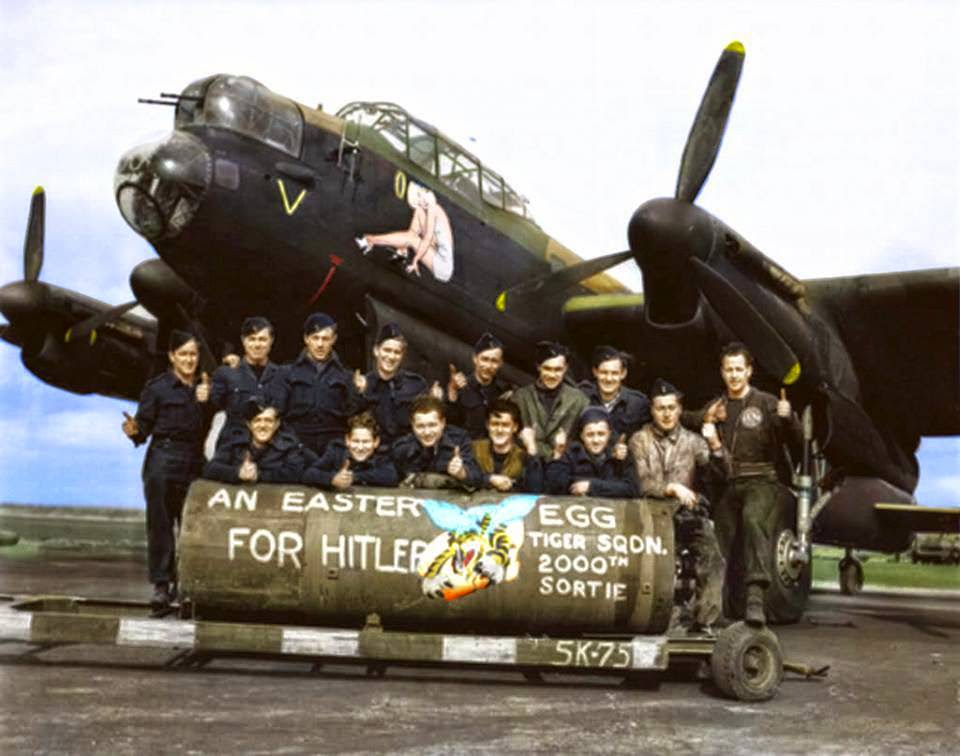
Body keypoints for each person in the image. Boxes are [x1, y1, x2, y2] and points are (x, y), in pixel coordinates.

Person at [702, 342, 801, 626]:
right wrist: (707, 418)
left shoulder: (767, 403)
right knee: (720, 535)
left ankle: (756, 599)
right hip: (730, 483)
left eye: (738, 369)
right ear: (722, 372)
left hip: (763, 480)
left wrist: (789, 418)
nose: (733, 375)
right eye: (728, 370)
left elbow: (795, 440)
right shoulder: (718, 406)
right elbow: (689, 416)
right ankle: (718, 605)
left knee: (754, 519)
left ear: (749, 371)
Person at [121, 330, 212, 610]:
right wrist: (133, 431)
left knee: (192, 527)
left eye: (193, 354)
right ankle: (161, 585)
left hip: (194, 460)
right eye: (183, 354)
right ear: (172, 356)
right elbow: (143, 429)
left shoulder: (207, 387)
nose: (189, 360)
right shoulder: (157, 388)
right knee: (160, 525)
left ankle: (187, 586)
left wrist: (210, 397)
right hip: (162, 459)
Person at [629, 379, 730, 631]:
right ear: (652, 410)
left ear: (680, 409)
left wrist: (716, 446)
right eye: (660, 408)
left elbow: (723, 475)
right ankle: (666, 616)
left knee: (712, 556)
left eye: (671, 408)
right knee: (663, 562)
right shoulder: (639, 440)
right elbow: (642, 482)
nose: (666, 414)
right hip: (651, 516)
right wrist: (671, 488)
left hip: (686, 515)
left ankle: (704, 620)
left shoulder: (693, 442)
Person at [202, 316, 287, 447]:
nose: (257, 345)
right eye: (252, 339)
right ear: (243, 340)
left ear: (271, 340)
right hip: (234, 447)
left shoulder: (282, 375)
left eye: (262, 339)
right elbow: (210, 410)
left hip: (271, 450)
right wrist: (203, 398)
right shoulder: (225, 373)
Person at [282, 312, 361, 455]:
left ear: (334, 339)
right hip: (297, 446)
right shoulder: (287, 372)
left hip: (334, 446)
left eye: (325, 339)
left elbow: (353, 415)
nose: (320, 344)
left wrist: (360, 393)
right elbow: (278, 414)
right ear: (306, 339)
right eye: (315, 338)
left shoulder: (346, 375)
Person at [354, 322, 442, 447]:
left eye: (397, 352)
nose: (391, 356)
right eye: (387, 350)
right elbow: (353, 424)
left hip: (407, 451)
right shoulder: (364, 384)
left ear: (402, 355)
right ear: (376, 350)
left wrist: (436, 402)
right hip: (375, 453)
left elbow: (427, 421)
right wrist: (358, 395)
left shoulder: (416, 385)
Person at [356, 181, 455, 282]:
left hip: (443, 267)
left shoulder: (433, 208)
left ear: (422, 194)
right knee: (418, 212)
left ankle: (370, 240)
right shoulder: (431, 205)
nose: (419, 203)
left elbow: (428, 238)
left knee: (412, 239)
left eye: (418, 201)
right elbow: (434, 240)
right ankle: (403, 250)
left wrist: (415, 260)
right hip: (437, 251)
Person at [203, 401, 316, 485]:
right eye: (257, 420)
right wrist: (238, 473)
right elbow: (210, 469)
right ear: (249, 424)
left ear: (277, 424)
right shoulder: (235, 444)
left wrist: (259, 475)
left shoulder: (290, 447)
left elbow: (296, 473)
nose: (262, 426)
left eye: (268, 421)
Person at [511, 341, 589, 459]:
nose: (552, 375)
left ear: (565, 368)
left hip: (566, 463)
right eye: (547, 369)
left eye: (558, 369)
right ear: (538, 367)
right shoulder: (520, 398)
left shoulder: (579, 400)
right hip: (527, 462)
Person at [391, 395, 482, 489]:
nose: (427, 432)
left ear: (443, 423)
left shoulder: (459, 440)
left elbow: (478, 477)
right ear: (412, 425)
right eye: (420, 426)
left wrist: (461, 473)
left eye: (432, 425)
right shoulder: (402, 448)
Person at [545, 406, 637, 498]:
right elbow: (554, 487)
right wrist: (558, 453)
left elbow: (632, 489)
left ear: (609, 434)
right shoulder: (572, 453)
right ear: (582, 436)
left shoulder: (620, 453)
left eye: (601, 434)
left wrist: (591, 486)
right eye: (590, 435)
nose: (596, 440)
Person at [303, 412, 398, 489]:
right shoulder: (336, 451)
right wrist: (332, 479)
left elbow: (391, 476)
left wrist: (353, 477)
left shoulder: (382, 455)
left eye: (366, 442)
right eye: (356, 441)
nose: (360, 448)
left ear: (376, 442)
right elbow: (309, 473)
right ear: (347, 440)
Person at [446, 332, 515, 439]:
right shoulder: (459, 387)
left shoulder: (503, 391)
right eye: (484, 359)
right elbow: (449, 424)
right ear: (475, 359)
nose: (488, 366)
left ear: (500, 363)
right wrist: (452, 392)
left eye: (494, 361)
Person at [472, 399, 543, 493]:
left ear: (515, 427)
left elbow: (535, 490)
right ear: (487, 425)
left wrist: (531, 447)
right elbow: (464, 477)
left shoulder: (523, 456)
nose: (499, 430)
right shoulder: (474, 449)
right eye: (494, 424)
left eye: (505, 425)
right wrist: (489, 479)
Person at [580, 345, 650, 439]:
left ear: (623, 373)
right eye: (604, 372)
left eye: (614, 373)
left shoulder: (638, 403)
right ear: (595, 372)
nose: (609, 379)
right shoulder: (582, 397)